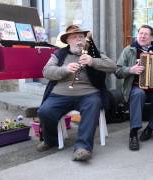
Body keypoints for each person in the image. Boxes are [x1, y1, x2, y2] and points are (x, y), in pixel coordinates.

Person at [36, 25, 116, 161]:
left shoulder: (94, 52)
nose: (79, 40)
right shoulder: (59, 54)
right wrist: (65, 69)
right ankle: (51, 140)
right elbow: (46, 72)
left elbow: (112, 66)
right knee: (44, 111)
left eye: (81, 37)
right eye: (74, 37)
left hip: (88, 93)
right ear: (67, 41)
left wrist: (93, 61)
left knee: (93, 104)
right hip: (60, 94)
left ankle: (83, 147)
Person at [115, 25, 153, 151]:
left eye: (146, 34)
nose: (142, 36)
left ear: (151, 37)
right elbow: (117, 71)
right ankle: (133, 132)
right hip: (135, 87)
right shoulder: (129, 50)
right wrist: (131, 70)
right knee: (138, 94)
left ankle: (150, 128)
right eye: (140, 33)